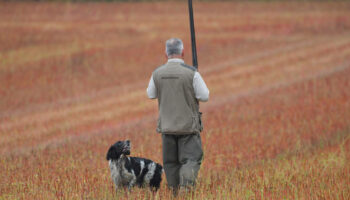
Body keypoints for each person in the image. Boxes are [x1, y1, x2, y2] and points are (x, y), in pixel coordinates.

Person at [146, 38, 209, 195]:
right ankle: (185, 190)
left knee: (170, 162)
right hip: (188, 127)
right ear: (183, 52)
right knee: (191, 160)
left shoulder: (157, 73)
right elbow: (204, 96)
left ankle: (174, 192)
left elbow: (150, 94)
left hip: (167, 127)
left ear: (165, 54)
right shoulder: (191, 73)